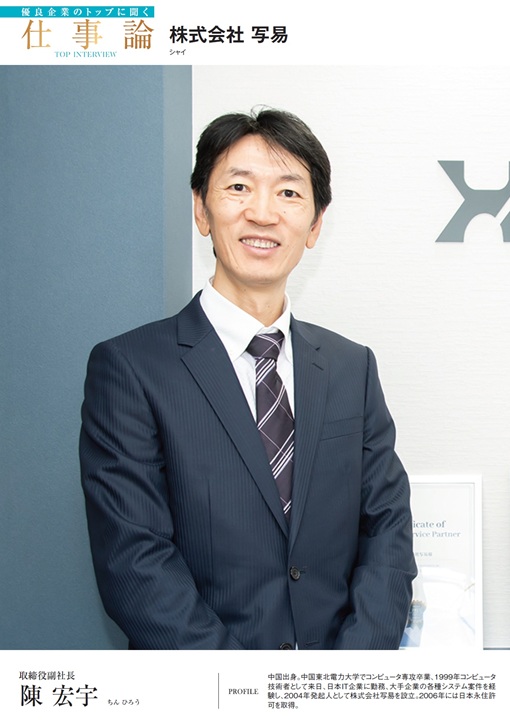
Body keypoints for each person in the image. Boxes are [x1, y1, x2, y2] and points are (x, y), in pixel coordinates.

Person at [79, 108, 417, 650]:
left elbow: (387, 534)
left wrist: (346, 680)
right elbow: (135, 562)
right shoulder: (131, 369)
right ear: (201, 209)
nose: (262, 213)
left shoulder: (352, 368)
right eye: (239, 187)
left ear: (315, 225)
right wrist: (244, 689)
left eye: (289, 193)